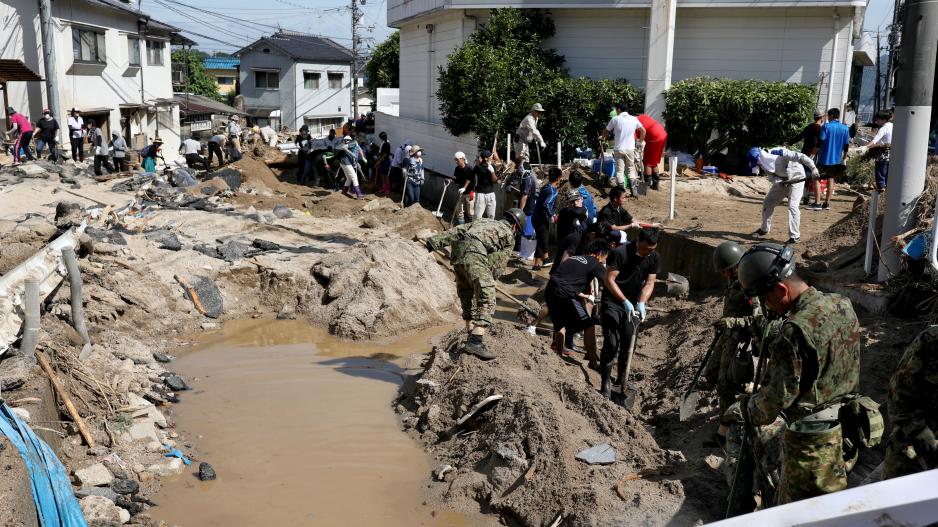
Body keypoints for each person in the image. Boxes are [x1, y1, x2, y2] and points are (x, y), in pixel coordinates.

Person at [723, 243, 861, 508]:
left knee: (741, 423)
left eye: (765, 297)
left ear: (781, 290)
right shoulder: (842, 304)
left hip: (811, 440)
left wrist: (740, 407)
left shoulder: (794, 332)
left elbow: (769, 407)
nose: (766, 305)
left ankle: (743, 510)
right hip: (849, 427)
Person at [425, 208, 525, 360]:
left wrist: (434, 242)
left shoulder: (483, 221)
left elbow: (458, 230)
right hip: (475, 253)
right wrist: (488, 280)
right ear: (515, 227)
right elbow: (498, 263)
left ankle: (470, 330)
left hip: (458, 254)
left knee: (466, 294)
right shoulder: (509, 236)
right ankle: (476, 341)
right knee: (487, 297)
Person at [704, 242, 763, 447]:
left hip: (741, 340)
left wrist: (733, 322)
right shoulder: (732, 280)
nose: (722, 274)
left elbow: (759, 320)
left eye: (724, 270)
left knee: (725, 384)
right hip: (727, 336)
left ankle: (725, 432)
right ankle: (743, 395)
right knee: (711, 374)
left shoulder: (748, 285)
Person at [599, 227, 660, 398]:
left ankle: (621, 379)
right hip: (613, 301)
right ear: (638, 241)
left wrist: (641, 302)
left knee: (628, 340)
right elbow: (609, 280)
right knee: (611, 342)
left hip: (633, 303)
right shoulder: (620, 253)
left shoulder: (653, 257)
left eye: (652, 249)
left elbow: (649, 283)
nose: (648, 252)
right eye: (646, 248)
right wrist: (623, 301)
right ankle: (605, 381)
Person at [884, 326, 938, 479]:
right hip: (916, 442)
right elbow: (900, 388)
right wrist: (919, 431)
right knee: (897, 496)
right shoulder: (931, 340)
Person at [545, 240, 610, 358]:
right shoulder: (595, 263)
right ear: (600, 254)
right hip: (565, 295)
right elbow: (609, 282)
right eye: (606, 257)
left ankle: (558, 355)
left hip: (550, 290)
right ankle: (593, 361)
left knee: (560, 324)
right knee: (589, 324)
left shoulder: (575, 258)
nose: (605, 260)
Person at [749, 146, 819, 244]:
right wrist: (779, 182)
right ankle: (764, 229)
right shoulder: (762, 163)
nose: (759, 165)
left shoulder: (780, 152)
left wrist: (813, 168)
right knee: (768, 203)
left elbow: (801, 156)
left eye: (758, 162)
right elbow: (771, 176)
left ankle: (795, 237)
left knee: (793, 206)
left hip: (797, 178)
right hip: (782, 181)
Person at [810, 107, 851, 210]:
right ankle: (827, 203)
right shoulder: (845, 128)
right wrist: (844, 158)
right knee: (831, 179)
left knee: (816, 178)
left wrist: (812, 155)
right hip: (836, 159)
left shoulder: (826, 127)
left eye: (828, 115)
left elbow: (820, 142)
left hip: (824, 158)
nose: (827, 118)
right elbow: (846, 145)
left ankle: (817, 203)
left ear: (832, 116)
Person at [601, 102, 645, 191]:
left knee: (620, 171)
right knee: (630, 169)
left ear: (619, 109)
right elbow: (643, 131)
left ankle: (621, 191)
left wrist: (602, 137)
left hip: (619, 149)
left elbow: (606, 130)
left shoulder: (615, 119)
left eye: (616, 110)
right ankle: (634, 191)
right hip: (630, 149)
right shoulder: (634, 119)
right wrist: (640, 142)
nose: (616, 111)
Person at [532, 167, 561, 271]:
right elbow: (547, 203)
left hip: (536, 217)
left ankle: (537, 264)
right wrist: (551, 215)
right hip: (542, 219)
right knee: (543, 240)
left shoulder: (546, 187)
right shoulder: (552, 191)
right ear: (558, 178)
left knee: (541, 240)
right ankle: (545, 258)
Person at [636, 113, 666, 190]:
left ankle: (646, 186)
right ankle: (655, 184)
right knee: (653, 161)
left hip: (654, 138)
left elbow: (635, 139)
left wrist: (637, 144)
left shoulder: (634, 122)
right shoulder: (643, 116)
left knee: (647, 162)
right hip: (662, 134)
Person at [867, 110, 893, 192]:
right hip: (893, 154)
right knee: (889, 175)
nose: (876, 121)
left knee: (880, 174)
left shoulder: (883, 128)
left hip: (883, 155)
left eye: (878, 119)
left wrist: (864, 147)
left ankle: (880, 191)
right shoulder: (894, 126)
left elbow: (874, 141)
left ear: (883, 119)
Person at [555, 189, 588, 255]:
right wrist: (584, 209)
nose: (575, 203)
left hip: (579, 248)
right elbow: (577, 212)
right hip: (566, 248)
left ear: (581, 199)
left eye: (577, 200)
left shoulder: (581, 211)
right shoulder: (565, 211)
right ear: (568, 202)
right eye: (572, 201)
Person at [473, 150, 498, 220]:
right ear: (486, 158)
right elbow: (473, 179)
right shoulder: (478, 167)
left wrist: (492, 171)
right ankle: (475, 229)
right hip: (481, 194)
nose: (492, 157)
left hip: (491, 193)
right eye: (490, 156)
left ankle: (490, 230)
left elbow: (495, 180)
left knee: (491, 216)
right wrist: (472, 190)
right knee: (477, 215)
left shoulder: (492, 166)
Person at [336, 135, 364, 199]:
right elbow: (344, 148)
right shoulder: (353, 143)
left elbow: (354, 155)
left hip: (343, 163)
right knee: (354, 177)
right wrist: (352, 154)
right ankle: (359, 194)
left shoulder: (354, 145)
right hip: (346, 163)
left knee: (349, 178)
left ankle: (344, 191)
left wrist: (357, 163)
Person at [453, 151, 474, 224]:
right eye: (455, 160)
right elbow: (457, 179)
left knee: (470, 212)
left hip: (470, 193)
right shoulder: (457, 169)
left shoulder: (470, 168)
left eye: (457, 160)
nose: (456, 161)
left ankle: (471, 226)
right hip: (461, 192)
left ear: (462, 159)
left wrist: (464, 188)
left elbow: (469, 179)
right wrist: (451, 180)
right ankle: (461, 226)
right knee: (458, 210)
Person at [375, 131, 392, 195]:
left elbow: (385, 154)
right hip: (383, 161)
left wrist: (379, 161)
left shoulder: (386, 144)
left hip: (385, 161)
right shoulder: (384, 143)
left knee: (386, 176)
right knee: (382, 175)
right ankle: (384, 188)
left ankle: (388, 189)